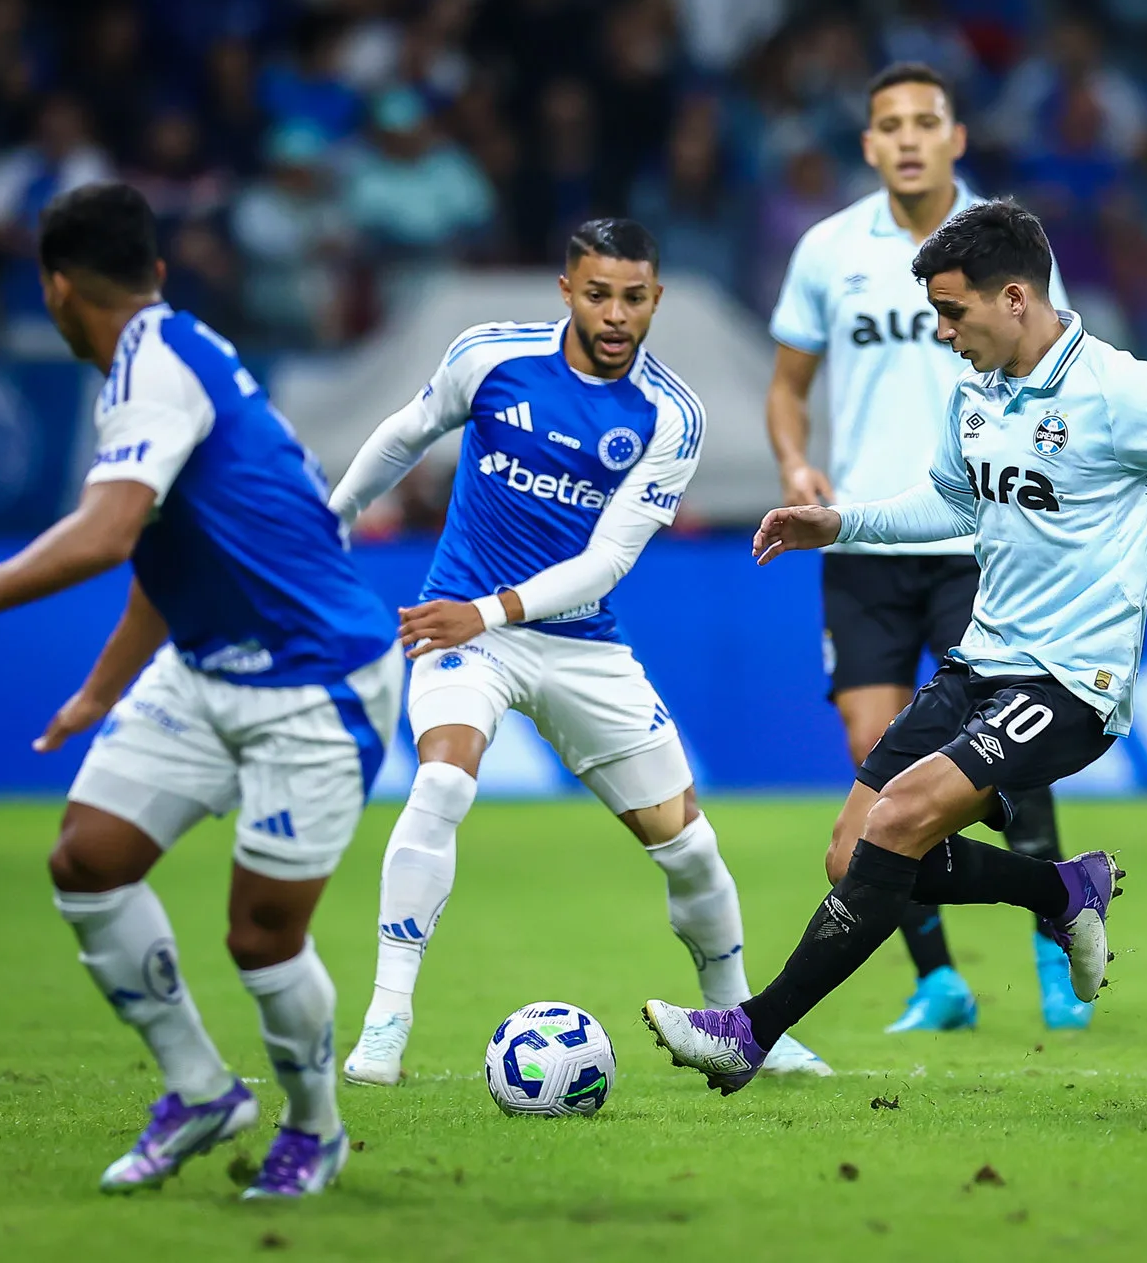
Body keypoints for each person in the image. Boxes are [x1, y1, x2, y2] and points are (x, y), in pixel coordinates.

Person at [644, 200, 1147, 1092]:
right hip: (979, 663)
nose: (941, 332)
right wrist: (839, 523)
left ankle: (749, 1031)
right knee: (852, 853)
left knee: (899, 819)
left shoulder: (1120, 392)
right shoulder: (976, 394)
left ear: (1014, 298)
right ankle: (1061, 891)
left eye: (951, 311)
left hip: (1070, 682)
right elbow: (950, 503)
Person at [0, 183, 399, 1196]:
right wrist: (102, 689)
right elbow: (163, 550)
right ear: (157, 272)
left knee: (261, 935)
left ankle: (314, 1129)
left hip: (314, 680)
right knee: (89, 859)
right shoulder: (170, 351)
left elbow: (105, 533)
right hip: (207, 661)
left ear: (53, 286)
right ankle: (200, 1088)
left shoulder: (150, 373)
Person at [329, 217, 827, 1087]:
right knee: (441, 782)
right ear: (567, 290)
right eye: (598, 294)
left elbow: (606, 562)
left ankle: (744, 1025)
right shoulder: (492, 356)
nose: (615, 314)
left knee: (690, 850)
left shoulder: (671, 414)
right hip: (468, 634)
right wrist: (331, 520)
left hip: (573, 640)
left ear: (656, 298)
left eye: (634, 298)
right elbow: (406, 433)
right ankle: (386, 1019)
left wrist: (486, 610)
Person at [766, 62, 1086, 1033]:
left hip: (982, 538)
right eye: (889, 124)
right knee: (874, 756)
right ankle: (938, 977)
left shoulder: (1006, 242)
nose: (907, 138)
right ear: (868, 144)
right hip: (864, 534)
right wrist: (795, 464)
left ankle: (1056, 946)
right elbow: (787, 388)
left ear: (955, 136)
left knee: (1005, 756)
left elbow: (1058, 374)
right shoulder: (828, 250)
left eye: (924, 121)